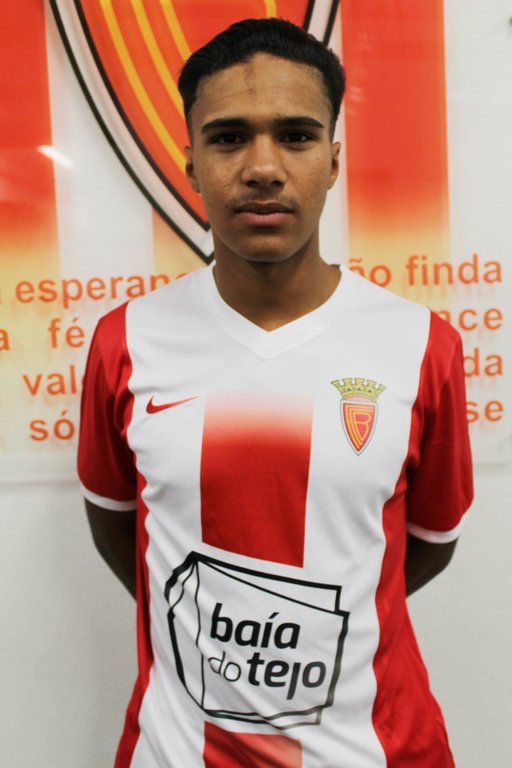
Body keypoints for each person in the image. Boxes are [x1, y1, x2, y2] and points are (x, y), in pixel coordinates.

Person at [78, 17, 473, 768]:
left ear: (333, 160)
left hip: (377, 751)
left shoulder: (423, 346)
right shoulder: (124, 342)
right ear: (191, 164)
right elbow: (117, 528)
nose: (263, 167)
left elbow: (425, 546)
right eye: (229, 138)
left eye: (295, 136)